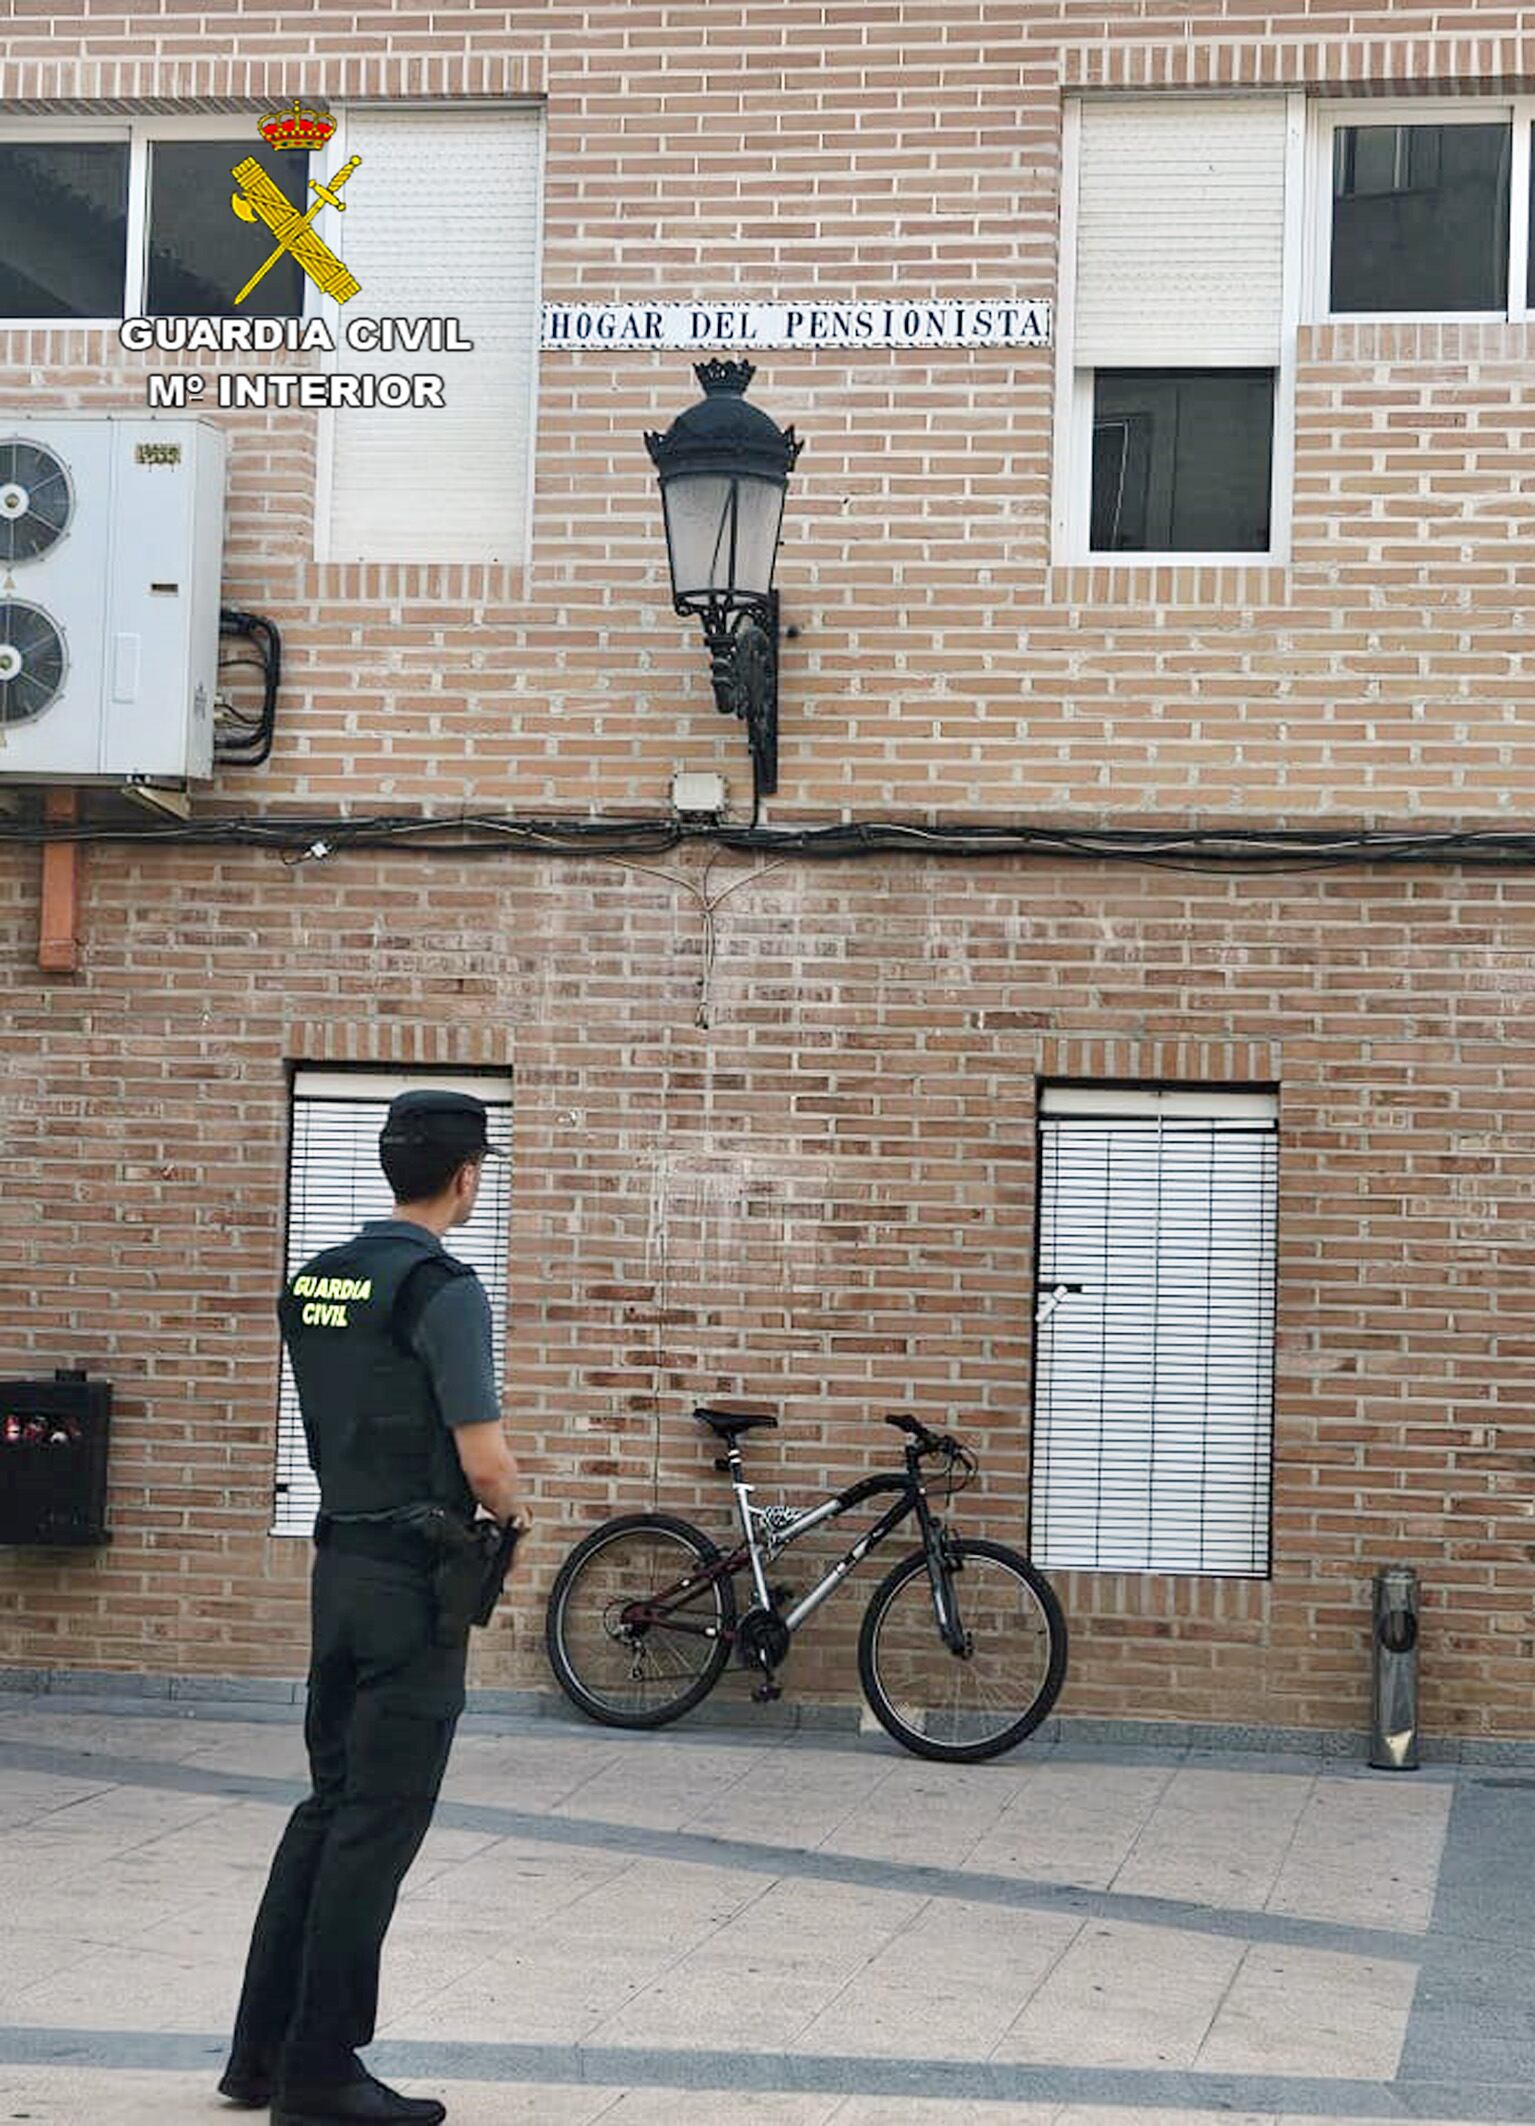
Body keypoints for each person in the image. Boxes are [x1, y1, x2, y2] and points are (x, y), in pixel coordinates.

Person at [220, 1089, 530, 2125]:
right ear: (465, 1176)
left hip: (338, 1563)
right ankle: (321, 2069)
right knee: (378, 1821)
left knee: (326, 1804)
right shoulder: (442, 1286)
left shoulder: (316, 1279)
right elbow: (484, 1461)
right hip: (413, 1576)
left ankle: (257, 2053)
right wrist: (513, 1505)